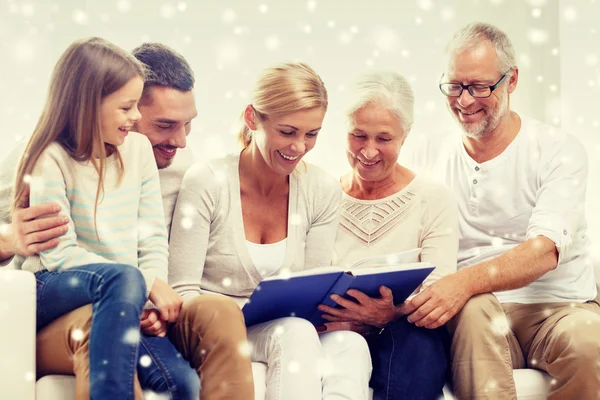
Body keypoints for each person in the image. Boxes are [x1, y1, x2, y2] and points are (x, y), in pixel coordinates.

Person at [0, 42, 255, 400]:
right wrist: (10, 238)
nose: (180, 141)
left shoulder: (163, 159)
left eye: (188, 125)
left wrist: (151, 300)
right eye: (165, 125)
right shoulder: (42, 155)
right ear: (92, 106)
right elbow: (57, 255)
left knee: (204, 341)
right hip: (68, 294)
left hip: (135, 295)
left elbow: (153, 244)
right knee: (116, 295)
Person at [401, 22, 600, 400]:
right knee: (472, 310)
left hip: (560, 307)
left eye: (479, 87)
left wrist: (461, 282)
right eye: (455, 86)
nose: (464, 100)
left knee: (589, 342)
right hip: (477, 311)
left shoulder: (558, 149)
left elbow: (543, 251)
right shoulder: (424, 154)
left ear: (511, 81)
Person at [168, 61, 372, 399]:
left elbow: (313, 286)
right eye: (287, 132)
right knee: (293, 332)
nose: (299, 147)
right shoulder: (207, 182)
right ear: (253, 119)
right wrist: (239, 312)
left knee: (350, 345)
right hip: (214, 329)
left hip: (281, 325)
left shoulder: (320, 188)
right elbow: (183, 290)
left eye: (312, 134)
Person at [316, 72, 457, 400]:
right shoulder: (320, 195)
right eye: (358, 135)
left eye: (384, 138)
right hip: (335, 329)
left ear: (405, 137)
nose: (368, 151)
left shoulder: (433, 197)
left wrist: (390, 313)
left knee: (416, 343)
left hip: (408, 331)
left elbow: (438, 289)